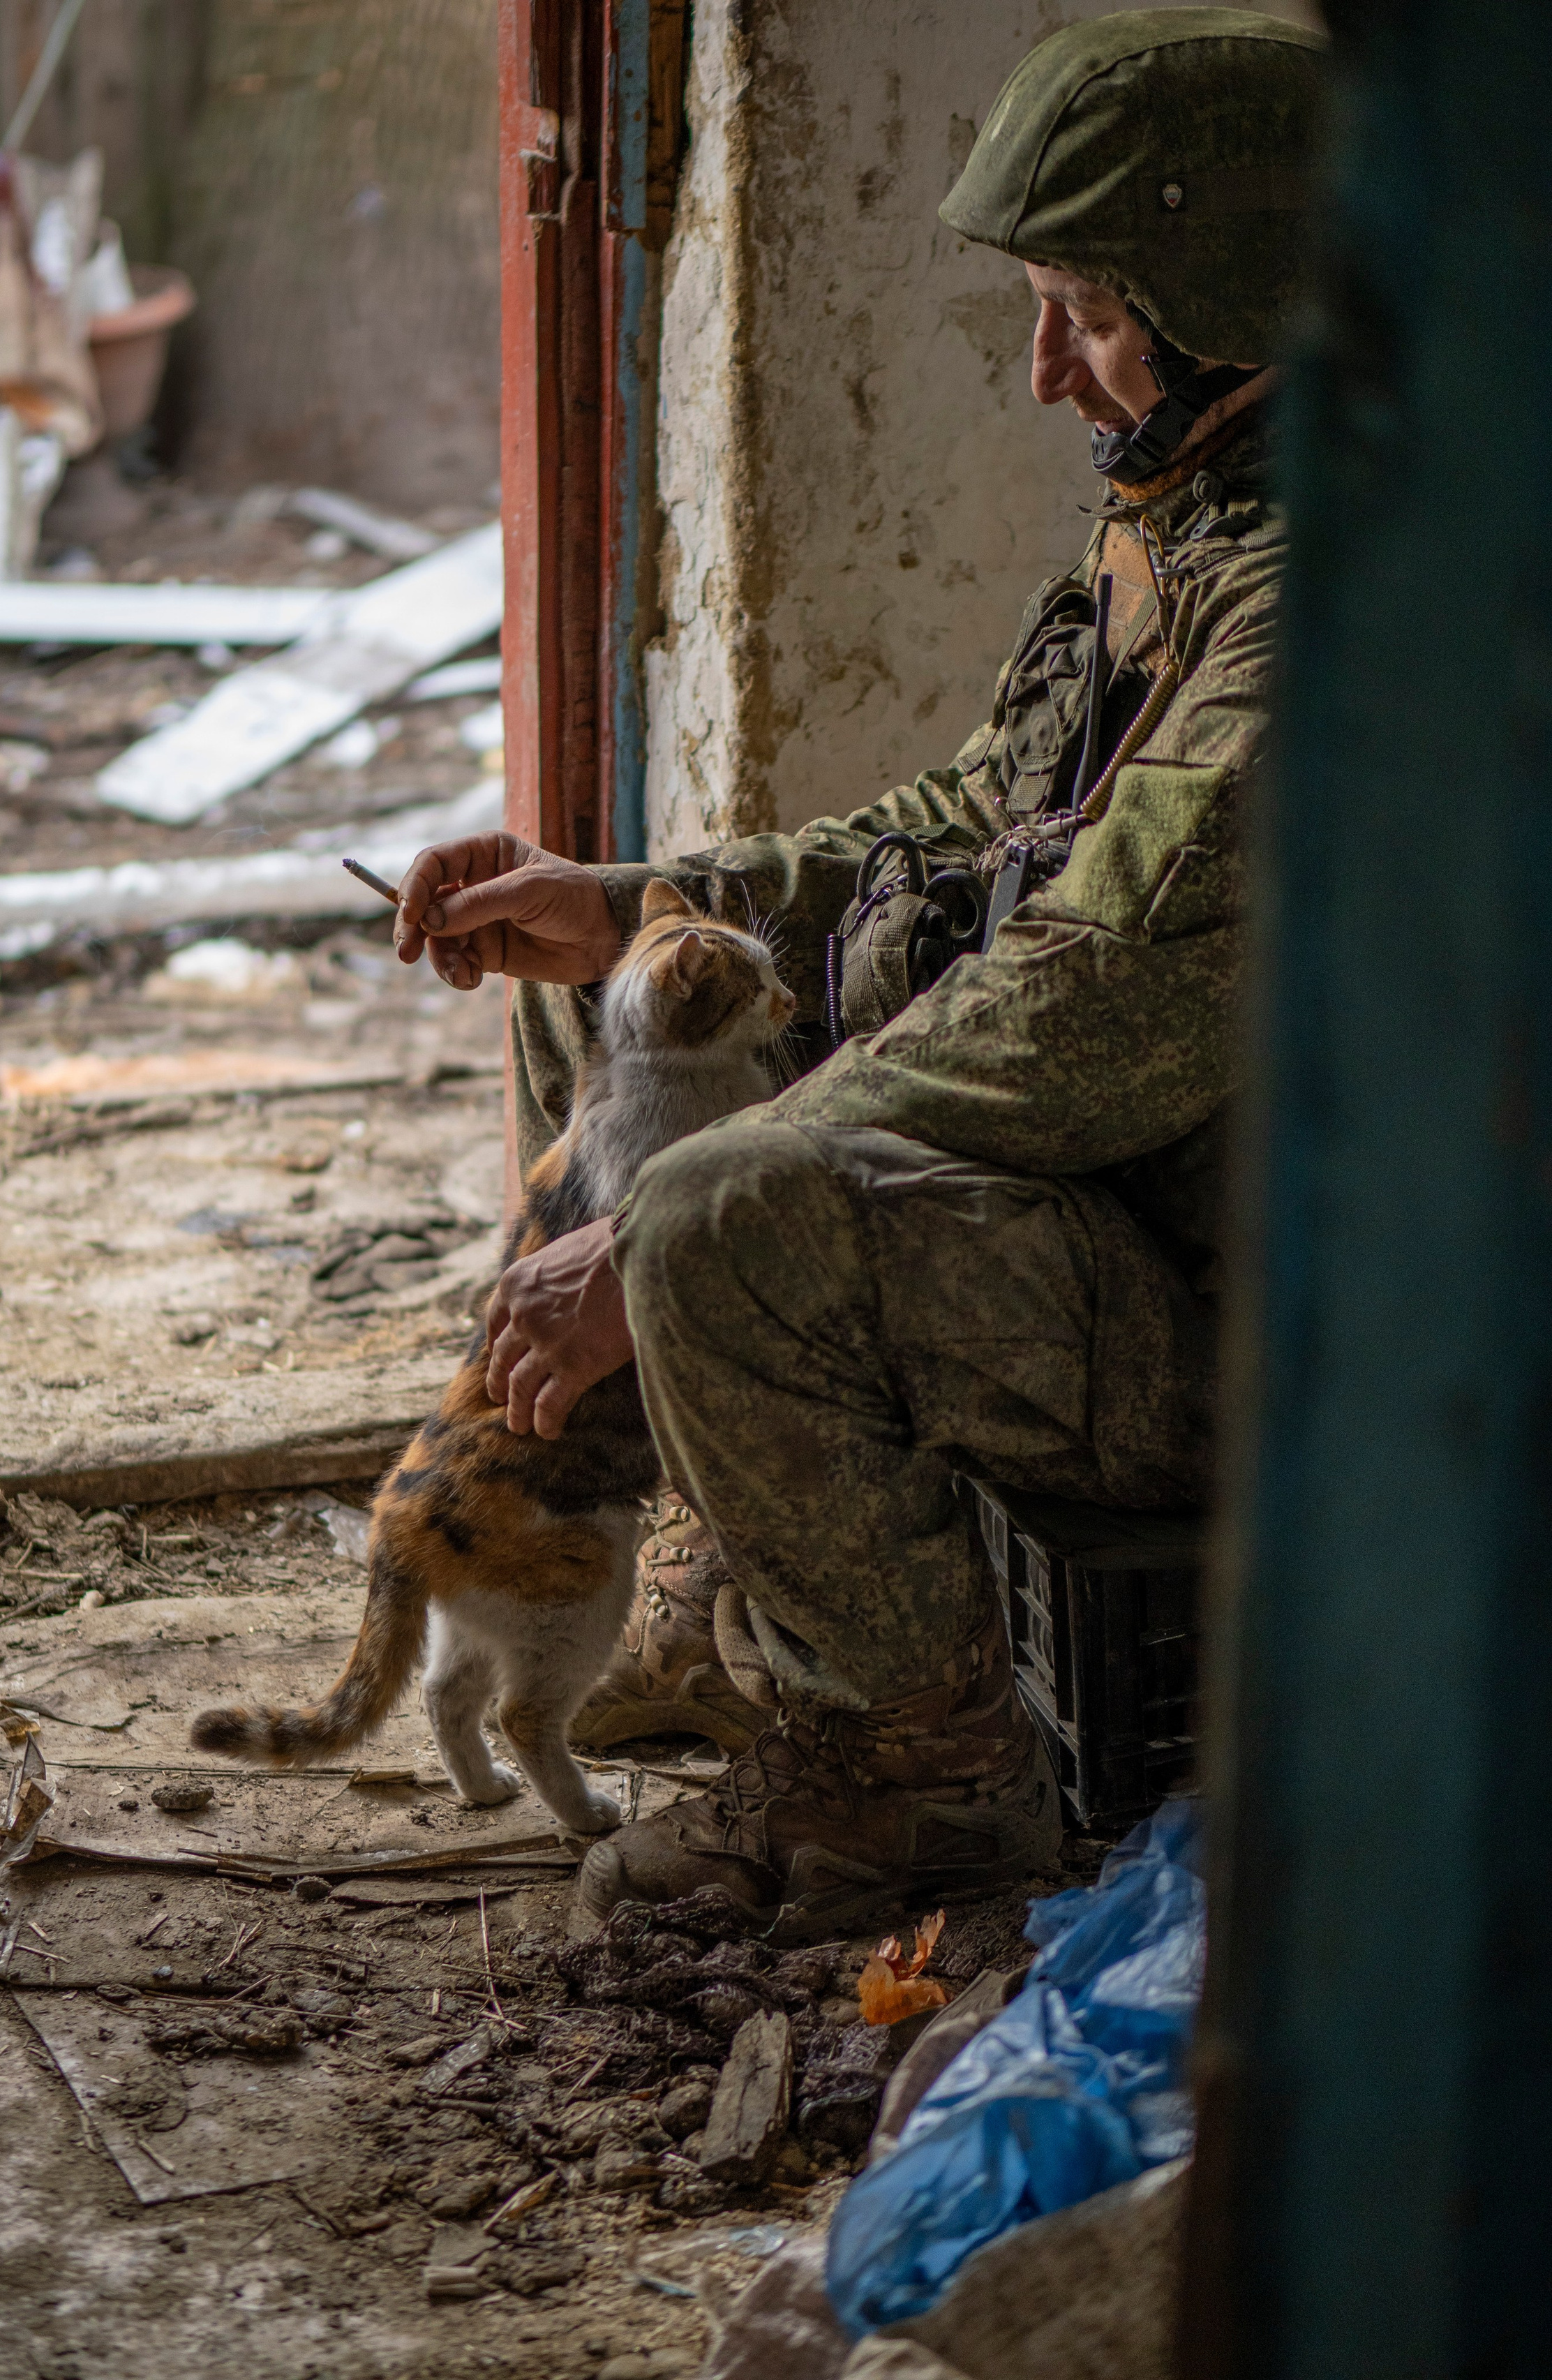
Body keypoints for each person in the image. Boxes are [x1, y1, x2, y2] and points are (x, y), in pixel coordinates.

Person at [390, 11, 1325, 1938]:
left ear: (1237, 310)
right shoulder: (1193, 514)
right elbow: (979, 823)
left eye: (1091, 315)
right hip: (1121, 1198)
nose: (1046, 369)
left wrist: (659, 1226)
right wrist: (636, 900)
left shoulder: (1319, 621)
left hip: (1247, 1321)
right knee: (624, 992)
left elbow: (1076, 1014)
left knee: (717, 1217)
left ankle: (912, 1777)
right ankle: (723, 1571)